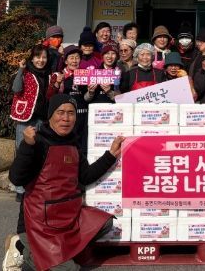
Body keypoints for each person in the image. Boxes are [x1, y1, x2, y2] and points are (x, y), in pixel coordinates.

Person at [8, 94, 124, 271]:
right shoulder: (37, 141)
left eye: (71, 113)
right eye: (60, 112)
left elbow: (85, 176)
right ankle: (23, 249)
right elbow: (16, 178)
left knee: (105, 223)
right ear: (50, 115)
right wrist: (27, 146)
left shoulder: (73, 143)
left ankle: (35, 255)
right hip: (39, 225)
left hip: (69, 218)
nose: (66, 118)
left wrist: (110, 155)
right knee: (70, 269)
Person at [10, 45, 55, 201]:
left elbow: (51, 96)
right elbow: (16, 89)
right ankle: (20, 189)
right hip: (26, 118)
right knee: (22, 151)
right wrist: (21, 70)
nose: (41, 60)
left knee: (40, 153)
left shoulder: (50, 75)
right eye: (37, 57)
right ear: (32, 58)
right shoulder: (25, 72)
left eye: (44, 57)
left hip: (43, 119)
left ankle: (35, 186)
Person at [50, 45, 89, 157]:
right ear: (66, 61)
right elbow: (53, 96)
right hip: (67, 117)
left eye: (77, 57)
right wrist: (58, 83)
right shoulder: (59, 75)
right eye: (71, 58)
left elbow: (87, 97)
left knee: (82, 146)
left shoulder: (86, 75)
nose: (74, 61)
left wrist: (90, 91)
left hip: (83, 116)